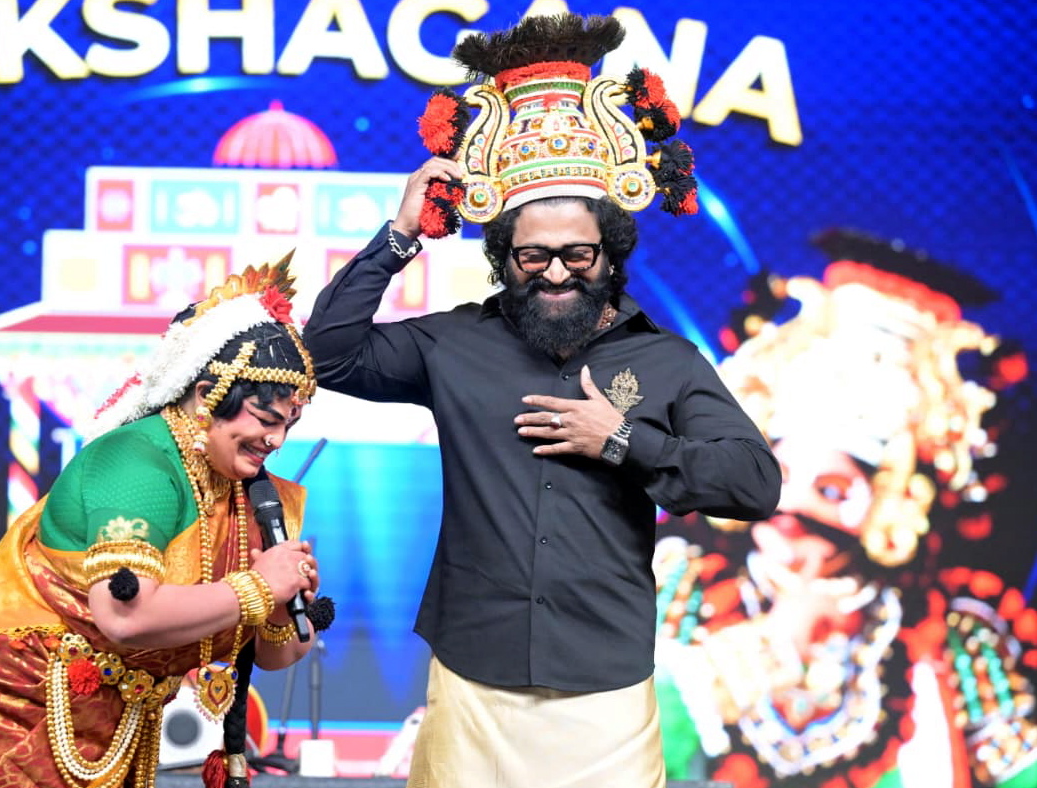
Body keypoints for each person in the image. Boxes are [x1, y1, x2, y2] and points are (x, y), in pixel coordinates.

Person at [301, 13, 781, 788]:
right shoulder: (453, 343)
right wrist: (397, 237)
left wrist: (622, 441)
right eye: (532, 255)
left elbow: (753, 483)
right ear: (503, 258)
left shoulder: (665, 361)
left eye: (576, 253)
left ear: (609, 255)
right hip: (473, 674)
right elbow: (326, 353)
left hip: (605, 685)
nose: (555, 272)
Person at [0, 257, 326, 788]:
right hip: (10, 701)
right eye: (266, 420)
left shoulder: (254, 496)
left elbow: (276, 655)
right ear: (206, 396)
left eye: (289, 424)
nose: (277, 441)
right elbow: (124, 615)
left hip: (115, 716)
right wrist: (257, 586)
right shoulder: (137, 465)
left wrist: (284, 602)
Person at [652, 230, 1037, 788]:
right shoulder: (677, 587)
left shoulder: (961, 642)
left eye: (832, 491)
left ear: (893, 503)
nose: (791, 506)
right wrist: (706, 682)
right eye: (778, 475)